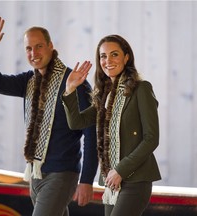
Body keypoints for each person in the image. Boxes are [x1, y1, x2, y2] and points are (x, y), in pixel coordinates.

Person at [0, 17, 98, 216]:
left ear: (51, 46)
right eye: (29, 49)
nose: (34, 53)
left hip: (62, 174)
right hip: (36, 174)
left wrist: (86, 180)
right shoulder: (29, 81)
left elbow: (91, 133)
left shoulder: (74, 83)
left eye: (39, 46)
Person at [62, 34, 161, 216]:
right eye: (103, 56)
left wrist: (120, 170)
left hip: (135, 180)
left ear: (126, 57)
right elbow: (77, 123)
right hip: (111, 181)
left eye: (114, 54)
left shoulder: (142, 89)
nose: (108, 60)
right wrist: (69, 90)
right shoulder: (104, 95)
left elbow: (151, 138)